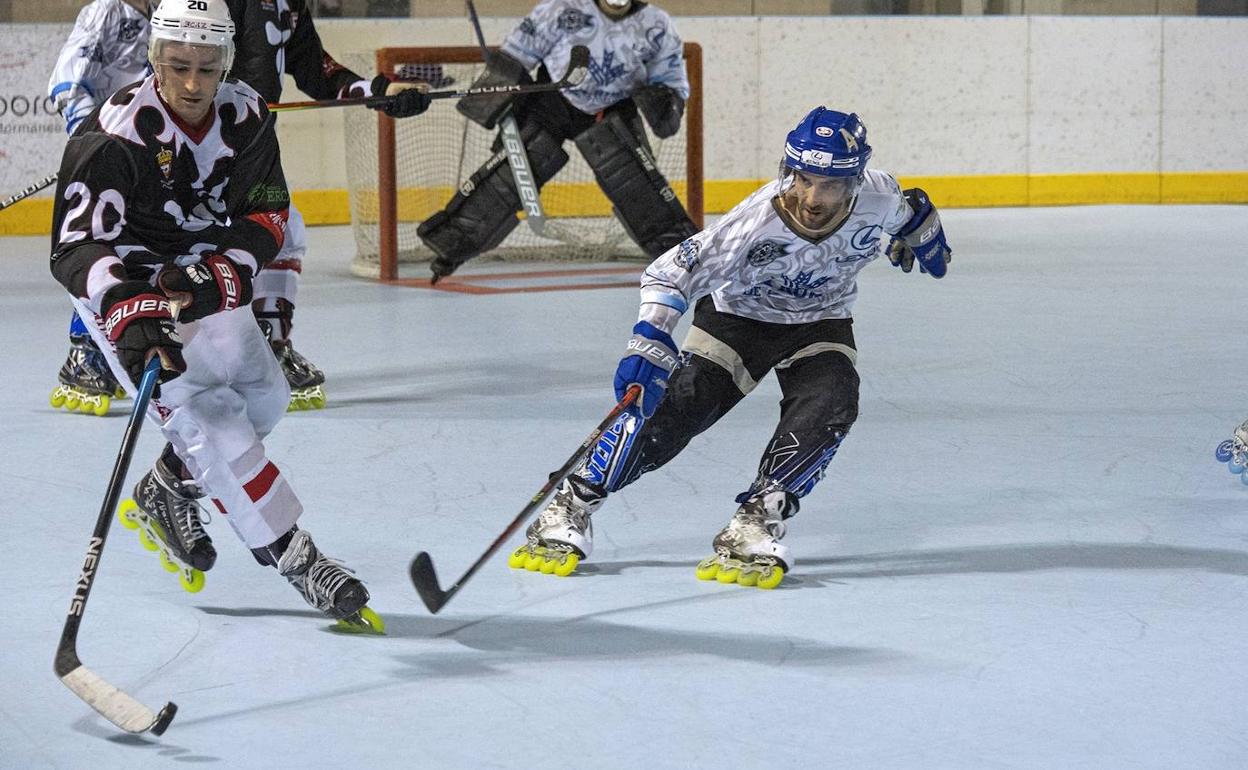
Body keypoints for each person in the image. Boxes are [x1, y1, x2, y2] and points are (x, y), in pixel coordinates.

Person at [510, 106, 953, 589]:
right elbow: (671, 272)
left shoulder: (877, 193)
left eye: (828, 185)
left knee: (833, 401)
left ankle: (759, 517)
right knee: (678, 412)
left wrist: (921, 237)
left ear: (853, 180)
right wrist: (649, 340)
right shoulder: (753, 224)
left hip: (821, 318)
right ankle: (571, 501)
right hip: (738, 319)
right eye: (803, 180)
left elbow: (911, 210)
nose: (811, 196)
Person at [49, 0, 381, 631]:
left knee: (266, 395)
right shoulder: (115, 130)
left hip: (199, 276)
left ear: (226, 60)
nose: (194, 84)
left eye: (207, 67)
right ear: (155, 59)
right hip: (127, 281)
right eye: (178, 67)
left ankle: (167, 484)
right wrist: (128, 310)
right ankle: (296, 555)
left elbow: (267, 214)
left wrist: (220, 273)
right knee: (214, 415)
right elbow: (76, 246)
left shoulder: (246, 114)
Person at [46, 0, 431, 415]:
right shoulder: (202, 9)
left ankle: (273, 341)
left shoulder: (288, 5)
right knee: (118, 236)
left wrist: (377, 91)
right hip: (172, 148)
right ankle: (90, 348)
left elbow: (316, 69)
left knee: (285, 231)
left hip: (239, 149)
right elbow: (173, 70)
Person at [417, 0, 698, 283]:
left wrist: (665, 103)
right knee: (510, 177)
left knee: (638, 188)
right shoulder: (562, 8)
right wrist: (493, 95)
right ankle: (450, 249)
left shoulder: (656, 24)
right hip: (551, 102)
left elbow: (671, 82)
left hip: (612, 109)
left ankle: (688, 262)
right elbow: (517, 53)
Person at [47, 0, 157, 416]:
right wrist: (91, 139)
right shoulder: (105, 11)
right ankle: (82, 354)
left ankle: (120, 344)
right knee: (99, 250)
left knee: (139, 250)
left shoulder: (165, 12)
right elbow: (68, 78)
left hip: (147, 154)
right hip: (108, 154)